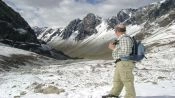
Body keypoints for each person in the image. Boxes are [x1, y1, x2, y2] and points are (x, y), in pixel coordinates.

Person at [103, 24, 136, 98]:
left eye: (115, 31)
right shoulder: (122, 38)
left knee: (127, 80)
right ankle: (114, 94)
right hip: (121, 62)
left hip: (125, 62)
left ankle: (130, 96)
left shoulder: (125, 39)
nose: (115, 32)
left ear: (117, 31)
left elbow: (126, 52)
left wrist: (113, 48)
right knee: (117, 79)